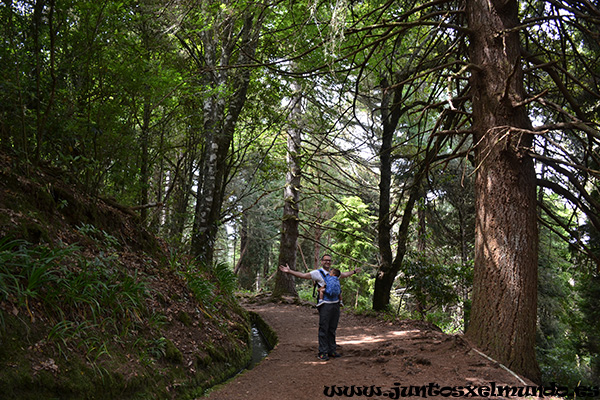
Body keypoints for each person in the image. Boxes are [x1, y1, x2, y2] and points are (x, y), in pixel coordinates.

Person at [279, 254, 359, 361]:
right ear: (321, 262)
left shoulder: (334, 273)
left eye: (329, 260)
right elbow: (303, 275)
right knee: (324, 328)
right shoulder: (317, 273)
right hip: (325, 304)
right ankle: (322, 352)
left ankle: (332, 350)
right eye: (325, 260)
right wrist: (289, 271)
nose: (327, 262)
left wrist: (353, 272)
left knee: (332, 328)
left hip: (335, 304)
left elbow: (344, 274)